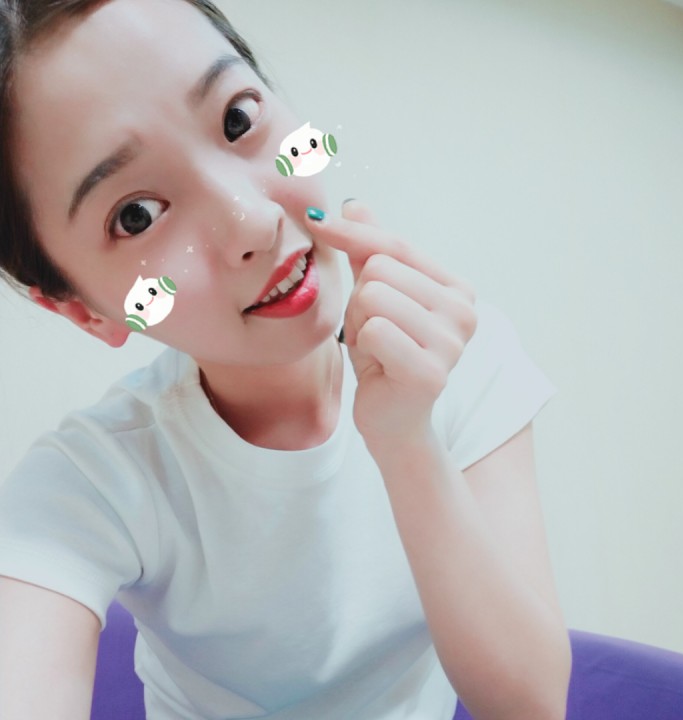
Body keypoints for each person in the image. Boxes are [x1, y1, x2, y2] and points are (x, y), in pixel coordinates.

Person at [0, 0, 572, 718]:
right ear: (86, 311)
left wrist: (405, 440)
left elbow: (530, 705)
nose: (255, 222)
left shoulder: (459, 354)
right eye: (136, 215)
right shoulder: (95, 477)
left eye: (238, 119)